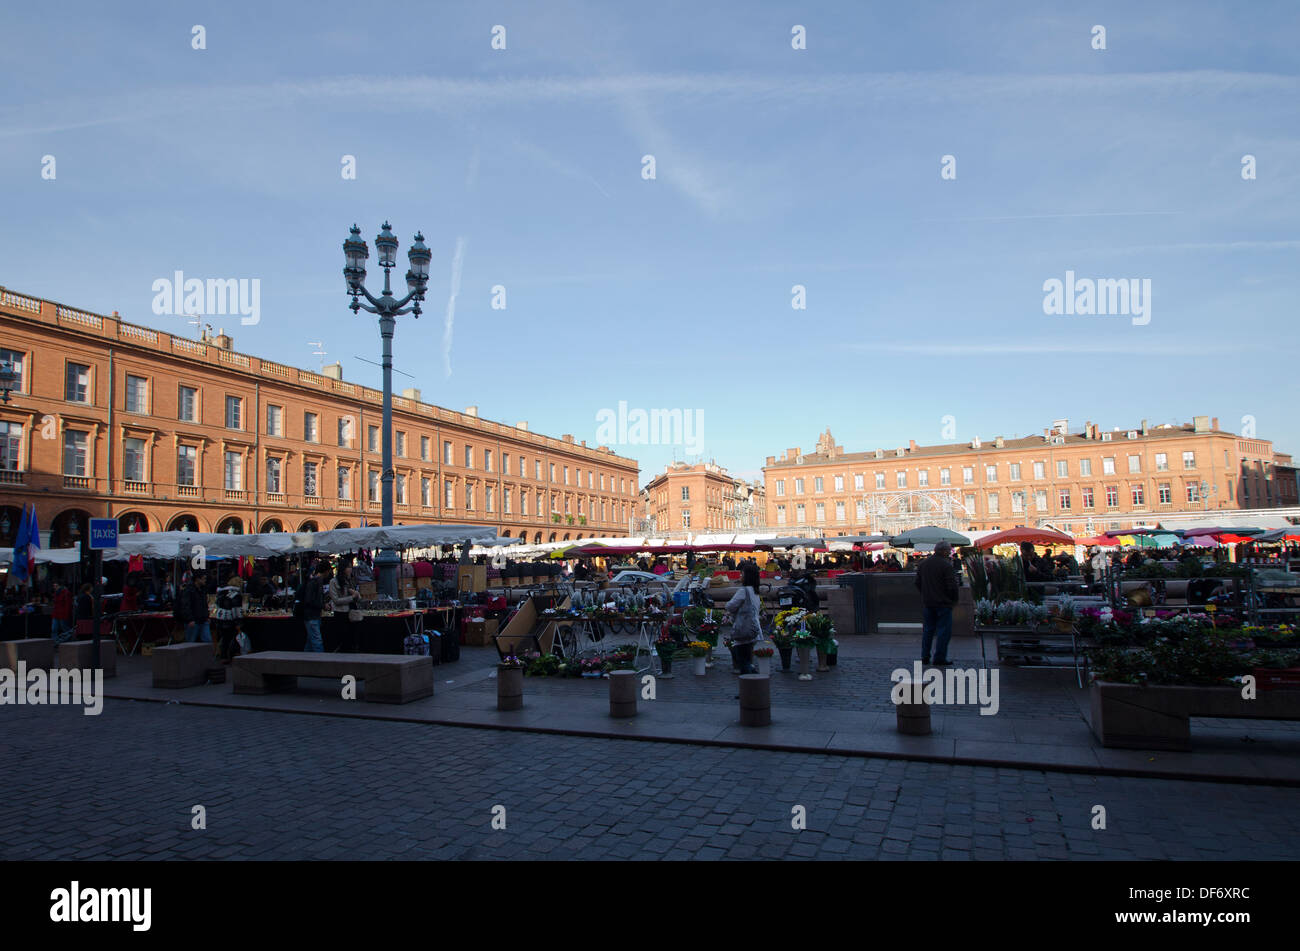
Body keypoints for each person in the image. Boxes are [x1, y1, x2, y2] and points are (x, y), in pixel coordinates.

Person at [915, 541, 960, 666]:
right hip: (943, 603)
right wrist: (954, 600)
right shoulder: (946, 565)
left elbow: (917, 582)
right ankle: (939, 657)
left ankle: (924, 656)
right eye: (949, 550)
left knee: (928, 631)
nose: (950, 553)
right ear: (944, 551)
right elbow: (952, 586)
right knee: (943, 631)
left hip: (928, 602)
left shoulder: (923, 564)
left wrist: (925, 594)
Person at [724, 562, 762, 675]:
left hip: (744, 628)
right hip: (754, 628)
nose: (741, 576)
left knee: (742, 659)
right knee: (748, 657)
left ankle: (750, 684)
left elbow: (730, 605)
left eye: (742, 574)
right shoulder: (755, 591)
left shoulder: (744, 591)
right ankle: (752, 684)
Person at [329, 563, 362, 651]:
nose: (350, 569)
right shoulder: (334, 582)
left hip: (351, 613)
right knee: (344, 639)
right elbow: (336, 600)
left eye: (351, 567)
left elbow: (358, 597)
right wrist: (352, 597)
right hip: (340, 613)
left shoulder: (350, 581)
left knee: (352, 638)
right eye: (348, 567)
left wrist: (356, 595)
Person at [213, 576, 245, 662]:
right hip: (229, 620)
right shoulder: (236, 595)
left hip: (220, 619)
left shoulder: (222, 593)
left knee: (224, 640)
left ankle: (222, 656)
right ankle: (230, 656)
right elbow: (236, 610)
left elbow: (216, 606)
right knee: (231, 639)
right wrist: (239, 622)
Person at [302, 562, 329, 652]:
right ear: (327, 571)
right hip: (312, 616)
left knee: (311, 641)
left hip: (312, 615)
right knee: (317, 641)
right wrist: (322, 605)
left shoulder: (315, 581)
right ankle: (321, 662)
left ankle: (304, 660)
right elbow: (309, 600)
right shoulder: (315, 582)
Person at [178, 571, 211, 643]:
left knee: (207, 641)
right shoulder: (189, 590)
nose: (205, 580)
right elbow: (185, 605)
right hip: (194, 621)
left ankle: (206, 654)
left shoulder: (202, 590)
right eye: (203, 579)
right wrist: (189, 619)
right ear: (197, 579)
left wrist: (206, 616)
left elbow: (204, 604)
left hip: (203, 620)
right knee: (191, 642)